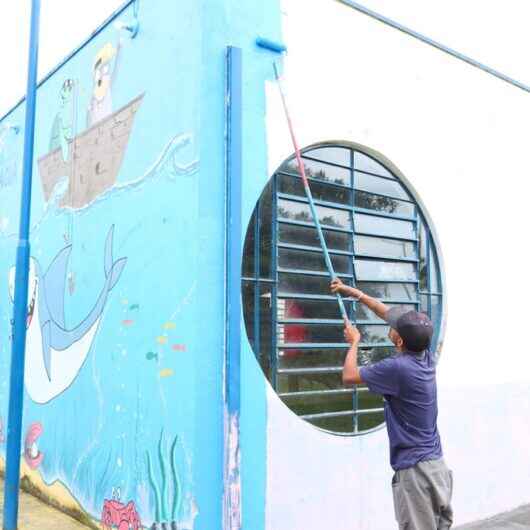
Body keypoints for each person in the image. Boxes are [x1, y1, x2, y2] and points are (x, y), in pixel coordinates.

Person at [331, 278, 453, 530]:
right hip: (437, 468)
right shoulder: (425, 357)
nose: (391, 322)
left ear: (399, 341)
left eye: (395, 326)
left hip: (416, 473)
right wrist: (354, 293)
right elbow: (385, 312)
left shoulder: (398, 369)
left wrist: (354, 341)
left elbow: (349, 376)